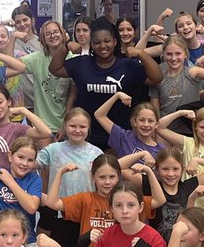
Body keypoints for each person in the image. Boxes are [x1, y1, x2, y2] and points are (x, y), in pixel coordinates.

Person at [51, 17, 163, 149]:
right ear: (92, 44)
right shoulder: (82, 63)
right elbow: (55, 69)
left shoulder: (127, 65)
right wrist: (66, 46)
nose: (102, 46)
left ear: (115, 42)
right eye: (97, 42)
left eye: (107, 41)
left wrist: (140, 53)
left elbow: (157, 77)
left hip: (120, 137)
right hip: (86, 136)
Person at [36, 107, 104, 247]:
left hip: (87, 213)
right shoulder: (53, 149)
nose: (77, 130)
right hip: (60, 211)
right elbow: (28, 164)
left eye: (82, 126)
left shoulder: (97, 153)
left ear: (88, 128)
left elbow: (108, 176)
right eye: (73, 126)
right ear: (65, 127)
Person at [0, 137, 44, 241]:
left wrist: (10, 182)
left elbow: (32, 207)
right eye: (20, 157)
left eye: (30, 160)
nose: (24, 163)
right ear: (10, 156)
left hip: (25, 241)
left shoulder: (34, 179)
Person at [19, 20, 74, 132]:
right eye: (48, 34)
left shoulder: (73, 59)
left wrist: (65, 125)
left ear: (63, 34)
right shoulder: (36, 59)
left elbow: (72, 96)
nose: (52, 36)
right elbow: (12, 65)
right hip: (42, 125)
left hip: (66, 125)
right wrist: (13, 39)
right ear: (43, 38)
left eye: (56, 32)